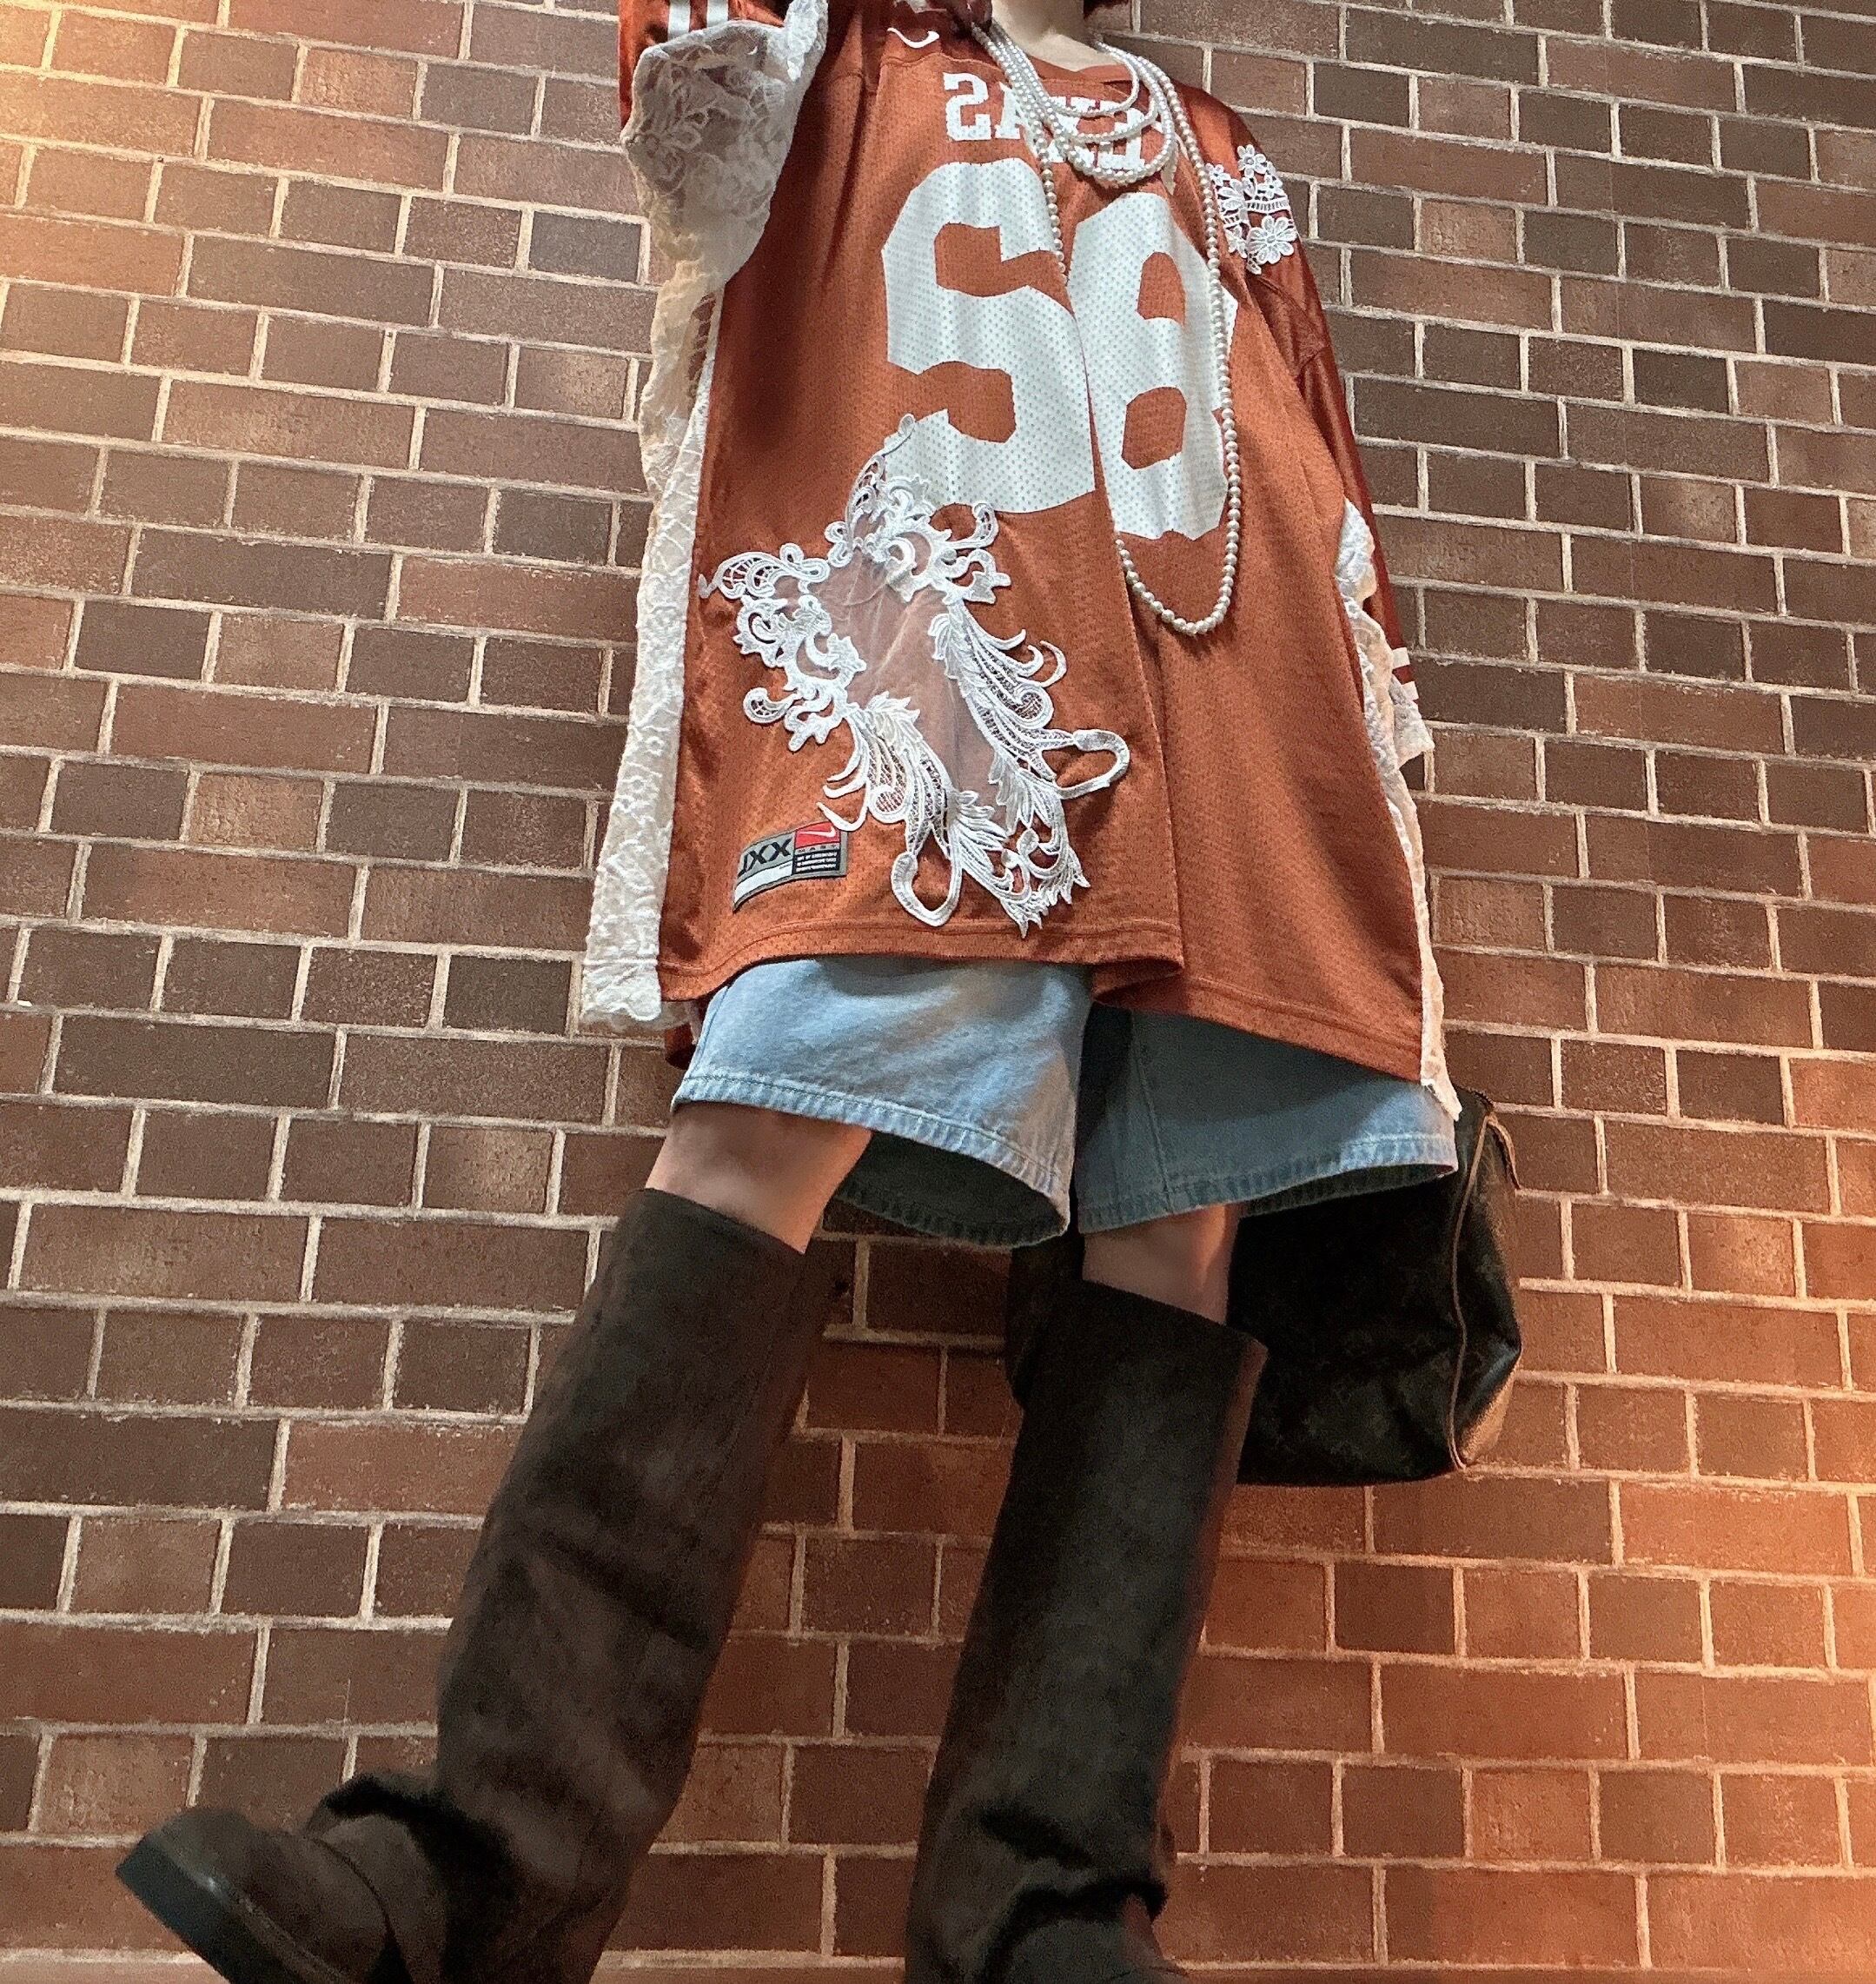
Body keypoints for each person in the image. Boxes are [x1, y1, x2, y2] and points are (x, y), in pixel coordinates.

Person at [116, 3, 1461, 1983]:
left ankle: (1042, 1908)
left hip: (1244, 713)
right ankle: (483, 1866)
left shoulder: (1214, 137)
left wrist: (1379, 755)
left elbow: (1314, 454)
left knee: (1179, 1232)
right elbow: (695, 129)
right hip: (932, 674)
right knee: (764, 1119)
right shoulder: (843, 50)